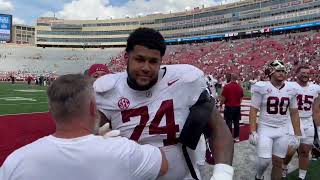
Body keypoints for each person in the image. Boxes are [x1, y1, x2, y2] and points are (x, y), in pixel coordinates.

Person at [94, 27, 234, 180]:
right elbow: (83, 139)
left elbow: (217, 128)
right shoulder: (107, 90)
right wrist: (95, 142)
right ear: (126, 58)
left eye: (153, 61)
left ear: (161, 61)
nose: (146, 68)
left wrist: (223, 174)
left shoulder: (185, 80)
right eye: (139, 59)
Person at [0, 74, 168, 180]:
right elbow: (162, 164)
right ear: (92, 108)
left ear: (51, 110)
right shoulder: (122, 150)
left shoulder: (16, 160)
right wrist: (119, 141)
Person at [249, 60, 302, 180]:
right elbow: (253, 110)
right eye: (278, 70)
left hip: (282, 129)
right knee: (264, 161)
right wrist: (252, 131)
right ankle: (259, 176)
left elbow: (294, 112)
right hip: (265, 127)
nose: (281, 73)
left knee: (278, 162)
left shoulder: (291, 89)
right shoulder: (261, 87)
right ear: (271, 72)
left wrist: (297, 134)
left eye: (283, 71)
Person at [282, 65, 320, 180]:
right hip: (292, 120)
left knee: (304, 151)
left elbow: (316, 108)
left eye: (308, 73)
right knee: (291, 149)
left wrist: (318, 125)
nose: (306, 75)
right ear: (296, 73)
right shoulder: (288, 85)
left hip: (308, 121)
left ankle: (301, 177)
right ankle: (284, 166)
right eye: (303, 72)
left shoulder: (315, 88)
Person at [220, 73, 244, 142]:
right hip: (237, 107)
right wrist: (238, 103)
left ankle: (229, 137)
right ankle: (236, 137)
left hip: (229, 107)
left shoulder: (227, 86)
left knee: (229, 122)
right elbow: (241, 97)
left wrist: (221, 104)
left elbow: (223, 97)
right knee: (236, 123)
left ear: (231, 78)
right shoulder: (239, 87)